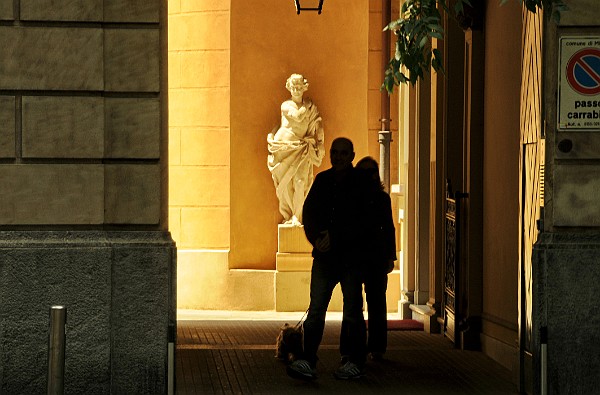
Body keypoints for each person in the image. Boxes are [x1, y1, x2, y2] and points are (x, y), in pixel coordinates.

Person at [286, 137, 368, 381]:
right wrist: (317, 238)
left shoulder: (360, 184)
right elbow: (309, 213)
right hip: (324, 258)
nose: (339, 157)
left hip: (351, 259)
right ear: (330, 154)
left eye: (344, 153)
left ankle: (354, 361)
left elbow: (362, 221)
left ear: (352, 156)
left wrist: (334, 237)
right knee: (316, 309)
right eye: (335, 152)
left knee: (353, 310)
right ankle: (307, 359)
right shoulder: (322, 180)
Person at [339, 156, 396, 362]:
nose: (369, 176)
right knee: (352, 304)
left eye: (372, 172)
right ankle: (349, 348)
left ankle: (377, 348)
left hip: (376, 258)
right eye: (364, 172)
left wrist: (391, 256)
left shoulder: (383, 199)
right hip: (354, 258)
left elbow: (389, 228)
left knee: (377, 305)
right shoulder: (350, 198)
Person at [267, 74, 325, 226]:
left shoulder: (311, 108)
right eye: (294, 87)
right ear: (289, 88)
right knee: (285, 184)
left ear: (304, 87)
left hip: (302, 149)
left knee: (300, 182)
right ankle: (289, 213)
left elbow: (317, 125)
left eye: (300, 87)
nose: (297, 90)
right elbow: (297, 117)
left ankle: (297, 216)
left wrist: (320, 143)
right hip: (283, 149)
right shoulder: (286, 105)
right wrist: (308, 105)